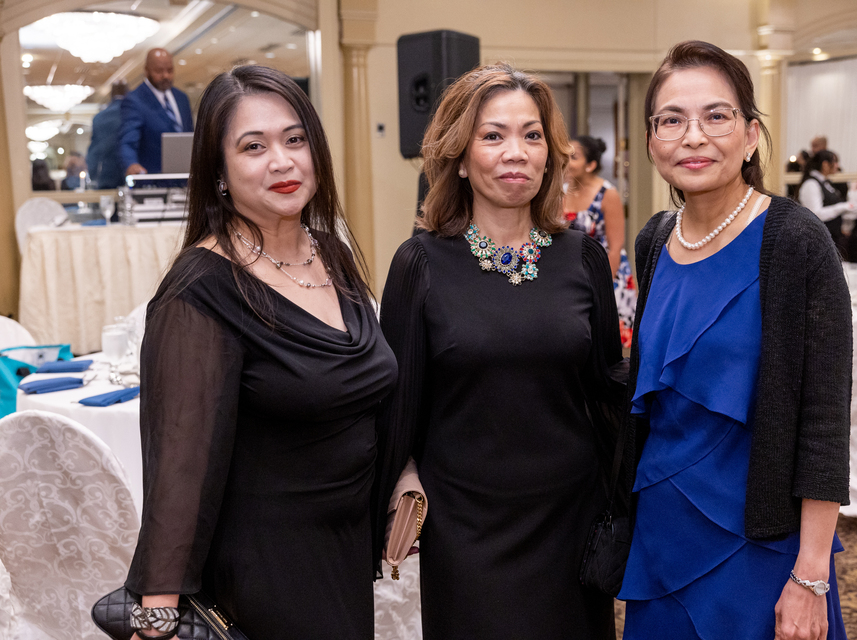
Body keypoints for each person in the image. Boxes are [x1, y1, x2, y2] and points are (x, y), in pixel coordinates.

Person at [123, 65, 397, 640]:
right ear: (218, 173)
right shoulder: (199, 289)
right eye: (253, 147)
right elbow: (178, 473)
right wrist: (156, 618)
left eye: (295, 139)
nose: (282, 161)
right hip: (264, 571)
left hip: (344, 551)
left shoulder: (332, 252)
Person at [376, 63, 623, 640]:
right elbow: (397, 405)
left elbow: (607, 389)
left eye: (532, 135)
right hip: (465, 528)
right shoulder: (420, 263)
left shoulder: (582, 258)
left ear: (550, 155)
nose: (516, 152)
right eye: (493, 135)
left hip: (571, 522)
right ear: (461, 158)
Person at [618, 40, 849, 640]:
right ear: (652, 141)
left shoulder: (796, 241)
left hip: (764, 543)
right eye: (672, 120)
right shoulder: (654, 241)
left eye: (716, 116)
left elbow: (824, 421)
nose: (693, 137)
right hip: (662, 533)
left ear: (750, 135)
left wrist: (811, 576)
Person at [563, 135, 638, 346]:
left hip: (606, 273)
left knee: (606, 343)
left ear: (591, 165)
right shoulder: (561, 191)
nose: (566, 162)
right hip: (572, 274)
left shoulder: (607, 193)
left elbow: (615, 248)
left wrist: (601, 287)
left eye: (574, 157)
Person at [119, 48, 194, 176]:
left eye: (170, 70)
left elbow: (190, 137)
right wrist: (131, 164)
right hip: (153, 179)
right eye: (159, 71)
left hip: (184, 178)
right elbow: (127, 141)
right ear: (146, 70)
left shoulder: (181, 98)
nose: (166, 76)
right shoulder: (134, 100)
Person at [798, 149, 856, 251]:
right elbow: (815, 214)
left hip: (831, 238)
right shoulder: (811, 184)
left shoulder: (826, 183)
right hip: (817, 241)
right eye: (835, 162)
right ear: (825, 165)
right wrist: (842, 207)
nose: (837, 166)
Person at [86, 81, 128, 189]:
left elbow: (93, 152)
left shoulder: (100, 117)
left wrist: (94, 176)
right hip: (131, 174)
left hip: (108, 176)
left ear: (111, 94)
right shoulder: (133, 113)